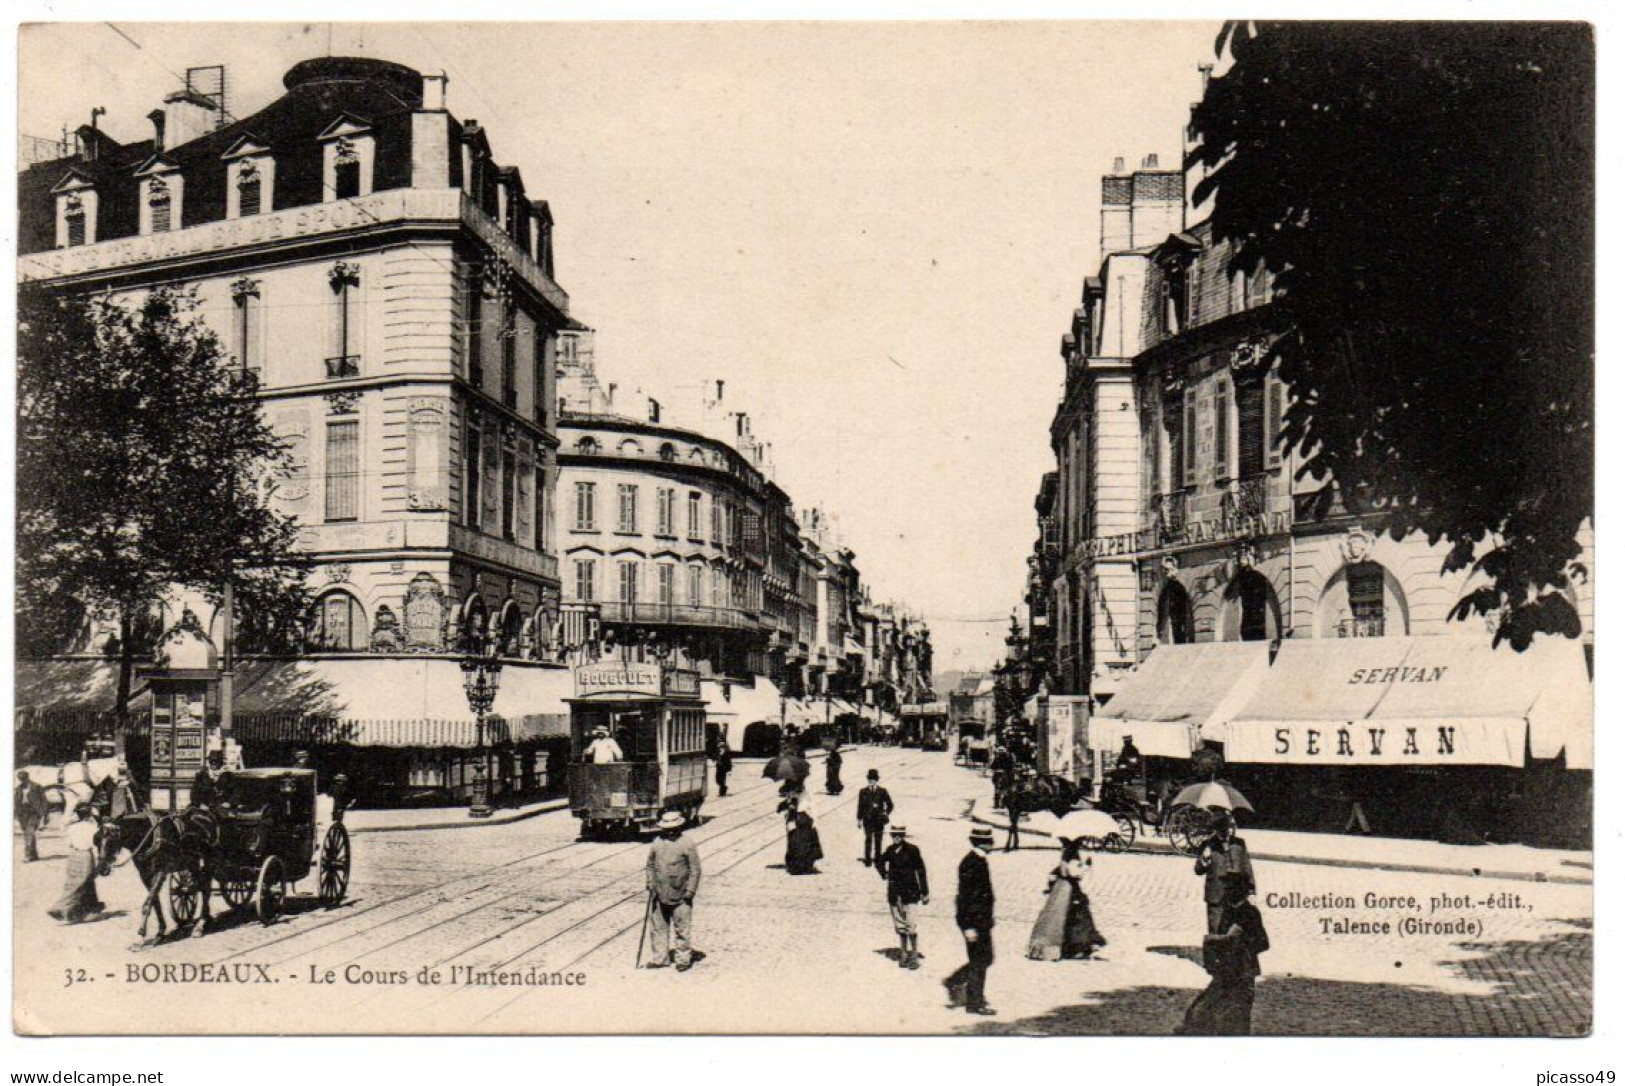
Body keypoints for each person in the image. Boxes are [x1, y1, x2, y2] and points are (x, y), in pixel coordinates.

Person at [1178, 883, 1265, 1035]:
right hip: (1227, 969)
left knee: (1238, 1012)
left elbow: (1263, 943)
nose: (1225, 894)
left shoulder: (1250, 913)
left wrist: (1240, 943)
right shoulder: (1229, 911)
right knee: (1211, 1005)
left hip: (1243, 971)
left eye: (1229, 890)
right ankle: (1193, 1029)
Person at [1027, 837, 1107, 961]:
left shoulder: (1066, 852)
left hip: (1062, 887)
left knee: (1060, 916)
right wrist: (1085, 866)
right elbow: (1073, 872)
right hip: (1069, 889)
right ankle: (1076, 947)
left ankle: (1071, 945)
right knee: (1075, 916)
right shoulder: (1072, 852)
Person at [645, 809, 701, 971]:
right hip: (659, 892)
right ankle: (659, 959)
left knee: (682, 928)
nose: (669, 832)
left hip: (681, 894)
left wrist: (690, 891)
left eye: (673, 829)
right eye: (666, 829)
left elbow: (695, 869)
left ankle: (683, 960)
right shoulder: (657, 842)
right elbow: (649, 865)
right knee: (658, 928)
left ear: (679, 827)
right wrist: (650, 882)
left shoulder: (687, 843)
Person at [955, 825, 998, 1015]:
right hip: (974, 922)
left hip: (981, 921)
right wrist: (968, 926)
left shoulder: (979, 860)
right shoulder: (972, 863)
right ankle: (975, 1003)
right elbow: (965, 897)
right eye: (990, 841)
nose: (993, 844)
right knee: (980, 961)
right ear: (983, 843)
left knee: (985, 959)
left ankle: (973, 997)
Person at [876, 823, 929, 969]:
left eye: (899, 835)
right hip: (894, 893)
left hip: (910, 892)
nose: (896, 838)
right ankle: (904, 953)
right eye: (893, 835)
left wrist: (925, 892)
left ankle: (914, 955)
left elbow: (921, 870)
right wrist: (884, 874)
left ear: (903, 836)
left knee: (910, 925)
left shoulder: (912, 850)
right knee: (900, 925)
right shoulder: (890, 850)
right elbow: (879, 862)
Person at [1194, 809, 1255, 934]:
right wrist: (1204, 859)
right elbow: (1198, 870)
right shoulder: (1208, 844)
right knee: (1215, 930)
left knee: (1235, 932)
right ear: (1216, 828)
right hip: (1216, 895)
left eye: (1227, 827)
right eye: (1222, 827)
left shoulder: (1239, 843)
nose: (1226, 831)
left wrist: (1252, 890)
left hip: (1237, 895)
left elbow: (1247, 867)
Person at [48, 802, 104, 923]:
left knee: (72, 881)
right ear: (89, 814)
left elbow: (68, 840)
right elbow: (96, 844)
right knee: (83, 882)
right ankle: (59, 906)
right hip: (85, 855)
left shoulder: (72, 827)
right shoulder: (93, 827)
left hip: (73, 854)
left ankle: (86, 909)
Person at [856, 769, 894, 866]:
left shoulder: (882, 791)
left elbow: (890, 804)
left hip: (878, 820)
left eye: (873, 779)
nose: (872, 781)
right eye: (870, 779)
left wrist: (886, 813)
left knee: (878, 840)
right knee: (868, 839)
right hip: (867, 820)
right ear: (867, 780)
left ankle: (877, 859)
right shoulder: (863, 791)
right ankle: (867, 860)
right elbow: (860, 806)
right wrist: (859, 820)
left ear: (877, 780)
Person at [783, 797, 823, 875]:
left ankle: (801, 864)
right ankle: (802, 865)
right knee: (802, 839)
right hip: (801, 813)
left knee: (802, 838)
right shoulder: (796, 796)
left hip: (802, 812)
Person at [15, 770, 47, 863]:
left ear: (28, 778)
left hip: (34, 813)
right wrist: (16, 814)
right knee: (28, 834)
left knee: (29, 833)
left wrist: (44, 815)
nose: (22, 781)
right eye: (21, 779)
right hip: (23, 813)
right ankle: (34, 855)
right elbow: (16, 802)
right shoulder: (18, 788)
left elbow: (44, 801)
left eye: (24, 779)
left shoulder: (36, 787)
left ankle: (28, 855)